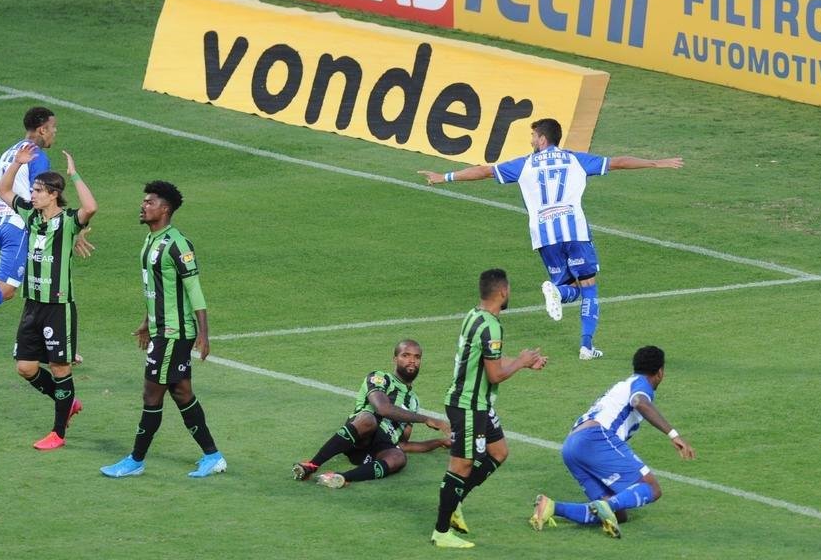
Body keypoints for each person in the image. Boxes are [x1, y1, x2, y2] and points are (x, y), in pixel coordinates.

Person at [419, 118, 683, 360]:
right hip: (575, 231)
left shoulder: (524, 164)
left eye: (533, 136)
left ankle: (565, 304)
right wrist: (655, 163)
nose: (531, 140)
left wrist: (445, 177)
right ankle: (585, 345)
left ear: (543, 139)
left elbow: (485, 171)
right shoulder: (575, 159)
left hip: (544, 236)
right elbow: (618, 162)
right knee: (588, 288)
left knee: (573, 288)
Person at [0, 106, 93, 364]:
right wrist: (72, 229)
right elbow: (46, 195)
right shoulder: (37, 157)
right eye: (53, 128)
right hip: (20, 228)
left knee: (40, 283)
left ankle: (54, 347)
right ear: (42, 129)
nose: (55, 133)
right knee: (8, 287)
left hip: (2, 226)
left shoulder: (8, 153)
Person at [101, 181, 227, 478]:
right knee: (182, 393)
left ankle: (135, 460)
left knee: (151, 394)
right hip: (161, 330)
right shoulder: (150, 240)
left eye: (149, 202)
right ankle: (213, 456)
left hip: (174, 333)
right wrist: (147, 321)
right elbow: (156, 289)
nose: (143, 206)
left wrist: (204, 334)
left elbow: (194, 290)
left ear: (165, 209)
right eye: (143, 201)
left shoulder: (178, 244)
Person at [430, 268, 547, 549]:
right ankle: (441, 531)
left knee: (498, 452)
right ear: (503, 292)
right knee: (461, 465)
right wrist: (520, 362)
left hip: (476, 403)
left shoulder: (475, 316)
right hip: (469, 405)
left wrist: (525, 362)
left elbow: (486, 359)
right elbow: (495, 375)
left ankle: (455, 501)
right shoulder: (492, 326)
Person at [529, 345, 695, 538]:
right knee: (652, 488)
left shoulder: (623, 385)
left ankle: (551, 507)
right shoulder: (641, 384)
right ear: (660, 372)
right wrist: (673, 434)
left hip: (571, 446)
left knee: (618, 514)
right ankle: (606, 505)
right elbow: (639, 402)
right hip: (596, 437)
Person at [0, 142, 97, 450]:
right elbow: (2, 191)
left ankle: (58, 433)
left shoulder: (67, 221)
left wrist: (75, 174)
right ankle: (68, 402)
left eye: (39, 190)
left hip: (58, 307)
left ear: (53, 194)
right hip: (33, 304)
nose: (33, 194)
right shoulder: (31, 216)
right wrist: (17, 163)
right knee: (25, 367)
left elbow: (90, 208)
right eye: (34, 190)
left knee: (60, 369)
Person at [291, 339, 451, 488]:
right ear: (395, 359)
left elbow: (402, 444)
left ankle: (341, 478)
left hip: (377, 449)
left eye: (417, 357)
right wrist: (427, 419)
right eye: (405, 355)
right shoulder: (379, 378)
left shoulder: (414, 402)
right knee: (368, 419)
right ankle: (312, 465)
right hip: (360, 436)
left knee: (399, 457)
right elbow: (383, 408)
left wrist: (439, 442)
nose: (412, 361)